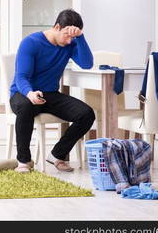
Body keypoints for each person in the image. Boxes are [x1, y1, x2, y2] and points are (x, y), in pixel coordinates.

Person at [10, 9, 95, 173]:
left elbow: (87, 64)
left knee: (86, 114)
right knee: (26, 106)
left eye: (73, 37)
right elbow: (21, 77)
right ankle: (24, 161)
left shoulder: (70, 44)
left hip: (50, 95)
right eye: (67, 35)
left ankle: (57, 155)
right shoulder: (31, 42)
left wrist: (81, 37)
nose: (70, 41)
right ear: (57, 27)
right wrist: (30, 93)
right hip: (23, 93)